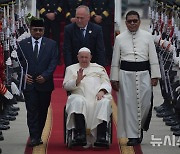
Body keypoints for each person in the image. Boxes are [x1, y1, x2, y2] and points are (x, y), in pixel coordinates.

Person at [110, 10, 161, 146]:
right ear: (126, 23)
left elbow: (153, 57)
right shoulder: (119, 38)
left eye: (135, 21)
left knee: (146, 104)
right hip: (125, 74)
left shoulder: (147, 36)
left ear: (139, 21)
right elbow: (115, 60)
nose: (132, 23)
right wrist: (114, 79)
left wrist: (155, 75)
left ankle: (140, 126)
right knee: (129, 105)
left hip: (144, 73)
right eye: (129, 21)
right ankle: (133, 135)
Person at [17, 19, 59, 147]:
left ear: (44, 31)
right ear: (30, 29)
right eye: (35, 30)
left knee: (42, 110)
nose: (38, 32)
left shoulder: (51, 44)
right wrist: (23, 76)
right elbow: (18, 63)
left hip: (44, 84)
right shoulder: (22, 44)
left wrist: (45, 76)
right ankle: (34, 136)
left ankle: (38, 134)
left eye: (40, 30)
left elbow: (53, 62)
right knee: (32, 111)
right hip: (29, 84)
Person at [63, 47, 112, 147]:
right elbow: (66, 86)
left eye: (86, 57)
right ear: (78, 57)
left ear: (90, 57)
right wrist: (77, 80)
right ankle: (80, 135)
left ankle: (101, 136)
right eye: (82, 57)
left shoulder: (99, 68)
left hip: (96, 97)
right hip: (79, 96)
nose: (84, 59)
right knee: (77, 101)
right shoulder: (71, 68)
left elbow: (107, 83)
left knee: (104, 102)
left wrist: (102, 91)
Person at [89, 0, 114, 65]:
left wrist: (102, 17)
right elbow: (90, 6)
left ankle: (108, 58)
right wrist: (94, 16)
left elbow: (110, 7)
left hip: (105, 21)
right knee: (93, 40)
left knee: (106, 40)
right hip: (94, 21)